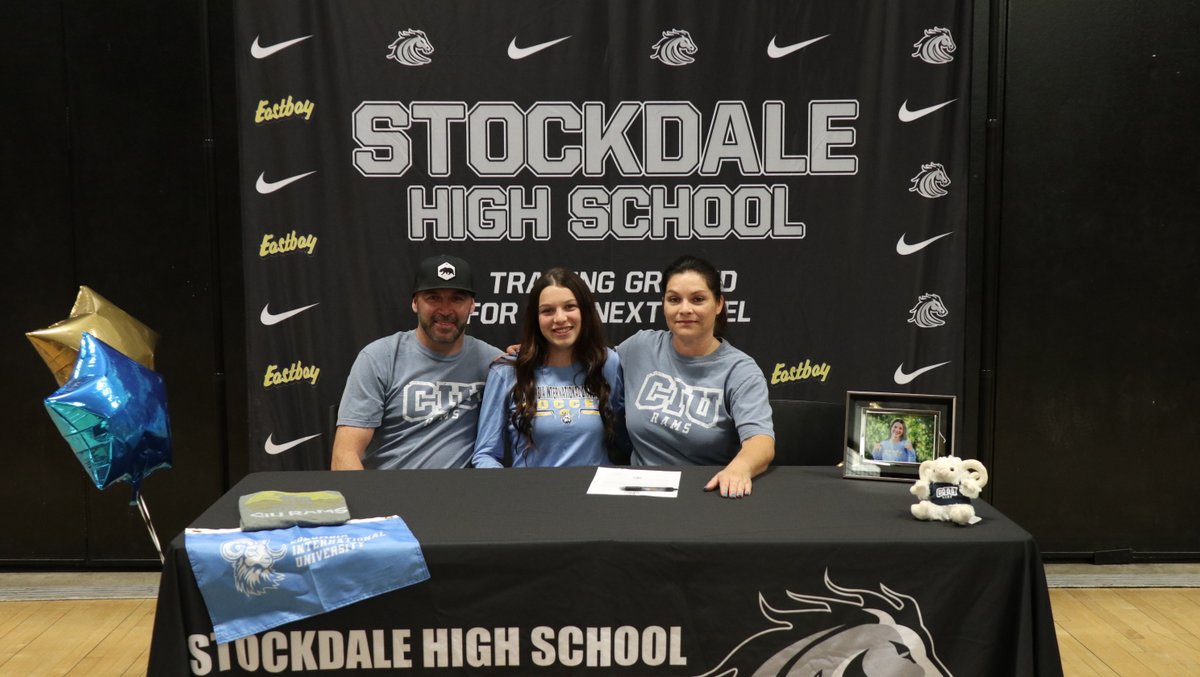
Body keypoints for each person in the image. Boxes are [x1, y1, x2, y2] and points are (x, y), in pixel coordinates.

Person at [616, 255, 774, 498]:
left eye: (698, 299)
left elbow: (760, 442)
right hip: (640, 492)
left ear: (719, 303)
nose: (685, 309)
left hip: (703, 493)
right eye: (674, 299)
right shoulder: (639, 347)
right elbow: (589, 367)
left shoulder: (740, 370)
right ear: (663, 304)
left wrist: (739, 468)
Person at [332, 254, 502, 470]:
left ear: (472, 306)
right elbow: (344, 455)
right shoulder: (379, 357)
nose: (445, 310)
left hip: (461, 499)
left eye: (457, 299)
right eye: (433, 298)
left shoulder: (493, 363)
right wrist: (371, 503)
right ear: (415, 303)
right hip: (388, 496)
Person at [473, 268, 625, 468]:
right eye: (547, 311)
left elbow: (625, 442)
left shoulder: (607, 363)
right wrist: (510, 493)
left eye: (570, 307)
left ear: (585, 311)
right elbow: (485, 455)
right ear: (535, 318)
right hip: (533, 495)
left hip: (595, 495)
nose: (560, 318)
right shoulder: (507, 371)